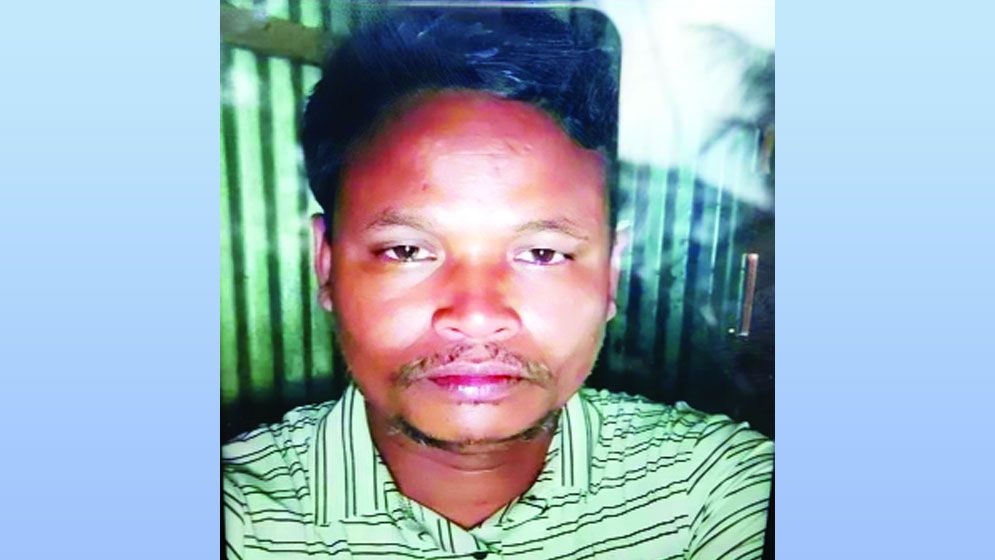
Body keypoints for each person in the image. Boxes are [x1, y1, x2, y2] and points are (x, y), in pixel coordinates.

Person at [223, 7, 772, 559]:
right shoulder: (237, 517)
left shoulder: (715, 491)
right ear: (326, 265)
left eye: (542, 253)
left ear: (610, 273)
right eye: (407, 251)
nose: (477, 315)